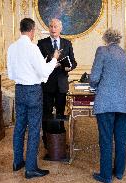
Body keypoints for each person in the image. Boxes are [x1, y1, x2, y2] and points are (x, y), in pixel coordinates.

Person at [7, 18, 61, 179]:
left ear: (20, 29)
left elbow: (10, 74)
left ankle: (17, 162)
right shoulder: (32, 48)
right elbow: (44, 72)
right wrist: (55, 58)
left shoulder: (12, 48)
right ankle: (30, 168)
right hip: (33, 91)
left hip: (19, 90)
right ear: (32, 31)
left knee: (19, 127)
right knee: (34, 129)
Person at [89, 28, 126, 183]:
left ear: (105, 39)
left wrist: (94, 84)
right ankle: (120, 172)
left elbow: (94, 77)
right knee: (122, 139)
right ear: (119, 39)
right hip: (125, 102)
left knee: (106, 139)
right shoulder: (125, 54)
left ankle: (106, 175)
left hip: (107, 102)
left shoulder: (102, 51)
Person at [37, 18, 77, 149]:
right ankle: (47, 140)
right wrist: (51, 63)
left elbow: (73, 62)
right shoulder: (41, 43)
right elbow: (39, 63)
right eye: (51, 26)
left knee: (60, 112)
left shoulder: (67, 43)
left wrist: (69, 67)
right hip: (47, 84)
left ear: (60, 29)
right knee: (46, 112)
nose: (53, 29)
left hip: (61, 84)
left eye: (55, 27)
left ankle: (60, 138)